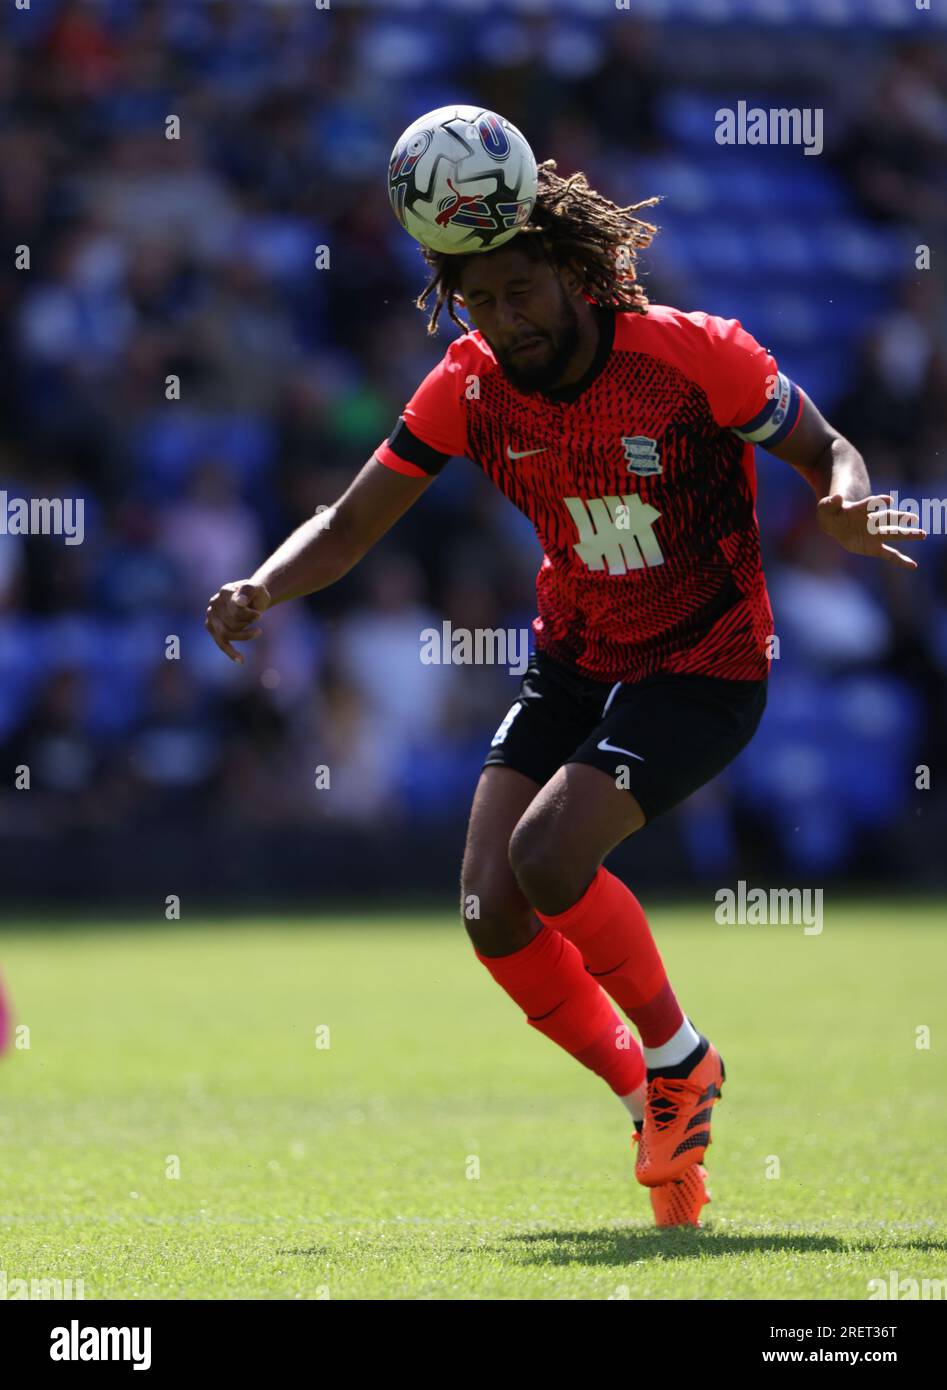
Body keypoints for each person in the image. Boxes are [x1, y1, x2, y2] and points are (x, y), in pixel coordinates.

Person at [206, 160, 924, 1226]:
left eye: (520, 290)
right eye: (479, 300)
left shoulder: (692, 357)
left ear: (576, 274)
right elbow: (350, 527)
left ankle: (681, 1058)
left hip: (702, 662)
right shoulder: (465, 386)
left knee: (545, 858)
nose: (504, 318)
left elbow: (827, 450)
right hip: (576, 657)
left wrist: (844, 502)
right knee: (488, 908)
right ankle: (650, 1102)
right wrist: (265, 581)